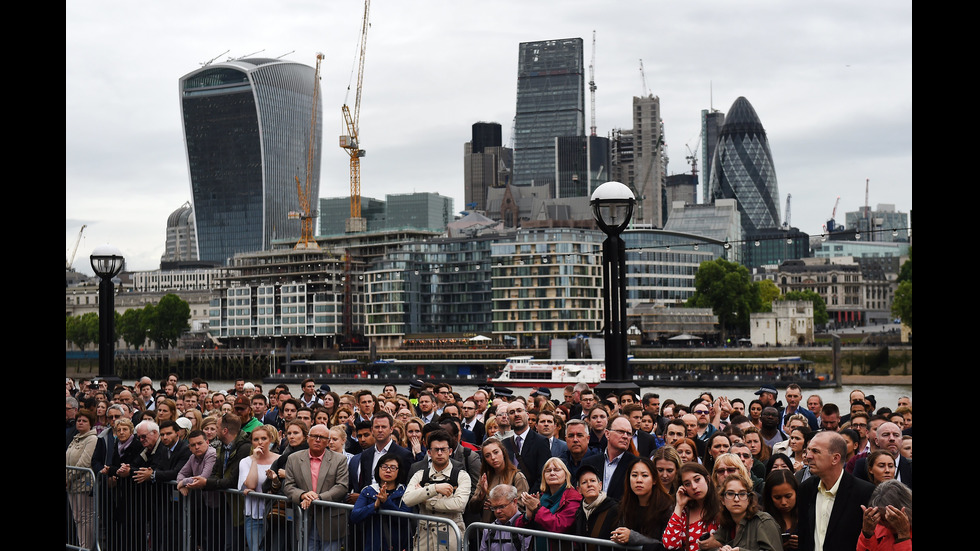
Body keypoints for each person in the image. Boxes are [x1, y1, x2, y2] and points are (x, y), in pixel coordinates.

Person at [796, 431, 874, 551]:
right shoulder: (805, 489)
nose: (808, 456)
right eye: (808, 450)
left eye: (815, 451)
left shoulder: (864, 492)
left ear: (835, 458)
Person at [283, 423, 350, 551]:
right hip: (305, 518)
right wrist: (302, 495)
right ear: (308, 438)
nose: (318, 440)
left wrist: (318, 498)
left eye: (322, 437)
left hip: (330, 519)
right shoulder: (293, 459)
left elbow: (342, 486)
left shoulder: (339, 459)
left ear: (328, 441)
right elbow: (288, 486)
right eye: (314, 436)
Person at [403, 429, 471, 551]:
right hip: (424, 538)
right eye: (436, 450)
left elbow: (459, 505)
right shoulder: (420, 474)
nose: (440, 453)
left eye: (443, 449)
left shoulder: (461, 475)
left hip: (451, 536)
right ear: (429, 452)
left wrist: (426, 500)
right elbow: (407, 499)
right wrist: (434, 488)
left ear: (450, 451)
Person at [516, 457, 582, 551]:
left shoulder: (573, 498)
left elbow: (560, 526)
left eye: (557, 470)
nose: (552, 473)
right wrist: (528, 516)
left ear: (566, 475)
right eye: (548, 471)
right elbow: (522, 530)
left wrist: (537, 509)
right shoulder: (542, 497)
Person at [350, 452, 414, 551]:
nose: (388, 470)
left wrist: (386, 502)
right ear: (378, 469)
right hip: (373, 544)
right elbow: (354, 516)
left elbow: (405, 519)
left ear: (399, 471)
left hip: (398, 545)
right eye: (384, 467)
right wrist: (374, 505)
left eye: (393, 468)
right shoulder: (368, 491)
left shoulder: (405, 492)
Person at [609, 457, 674, 548]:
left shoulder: (667, 506)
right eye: (634, 475)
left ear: (654, 480)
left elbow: (664, 544)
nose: (639, 480)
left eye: (644, 476)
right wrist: (619, 537)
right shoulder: (624, 505)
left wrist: (633, 537)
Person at [713, 474, 783, 551]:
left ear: (749, 499)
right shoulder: (726, 524)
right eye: (730, 494)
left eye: (742, 494)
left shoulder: (764, 521)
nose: (736, 499)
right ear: (723, 500)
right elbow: (713, 545)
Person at [239, 425, 281, 551]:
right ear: (252, 442)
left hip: (275, 515)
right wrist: (255, 460)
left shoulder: (279, 459)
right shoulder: (246, 461)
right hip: (254, 515)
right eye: (256, 439)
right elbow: (250, 485)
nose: (260, 442)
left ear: (270, 440)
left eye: (264, 438)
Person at [579, 416, 639, 502]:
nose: (625, 436)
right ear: (607, 434)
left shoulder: (635, 464)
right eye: (620, 432)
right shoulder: (589, 463)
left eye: (629, 433)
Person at [663, 463, 721, 551]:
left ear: (707, 479)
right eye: (687, 484)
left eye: (697, 480)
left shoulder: (722, 507)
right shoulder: (684, 512)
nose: (694, 487)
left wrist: (718, 542)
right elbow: (670, 545)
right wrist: (679, 506)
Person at [470, 439, 529, 523]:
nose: (493, 458)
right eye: (487, 456)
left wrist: (496, 507)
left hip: (510, 529)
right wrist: (482, 495)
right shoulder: (485, 477)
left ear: (503, 452)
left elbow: (521, 507)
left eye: (496, 452)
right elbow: (473, 508)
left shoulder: (517, 476)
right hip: (487, 529)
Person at [66, 408, 98, 550]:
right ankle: (82, 545)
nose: (80, 423)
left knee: (86, 517)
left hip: (83, 484)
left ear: (90, 424)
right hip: (71, 484)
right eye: (79, 420)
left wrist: (68, 477)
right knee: (77, 518)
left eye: (84, 421)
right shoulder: (75, 438)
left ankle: (86, 547)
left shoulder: (92, 439)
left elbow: (84, 462)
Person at [571, 464, 620, 550]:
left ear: (600, 485)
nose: (589, 485)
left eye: (593, 480)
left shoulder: (614, 509)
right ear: (579, 490)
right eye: (584, 482)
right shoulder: (579, 512)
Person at [858, 480, 912, 551]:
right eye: (882, 519)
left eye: (892, 518)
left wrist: (903, 535)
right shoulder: (878, 529)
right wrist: (867, 534)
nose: (887, 525)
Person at [479, 484, 533, 551]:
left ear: (514, 502)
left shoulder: (525, 527)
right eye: (494, 508)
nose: (498, 511)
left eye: (502, 506)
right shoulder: (488, 530)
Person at [762, 470, 799, 550]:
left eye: (788, 496)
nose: (783, 502)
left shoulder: (808, 516)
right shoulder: (763, 521)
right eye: (777, 498)